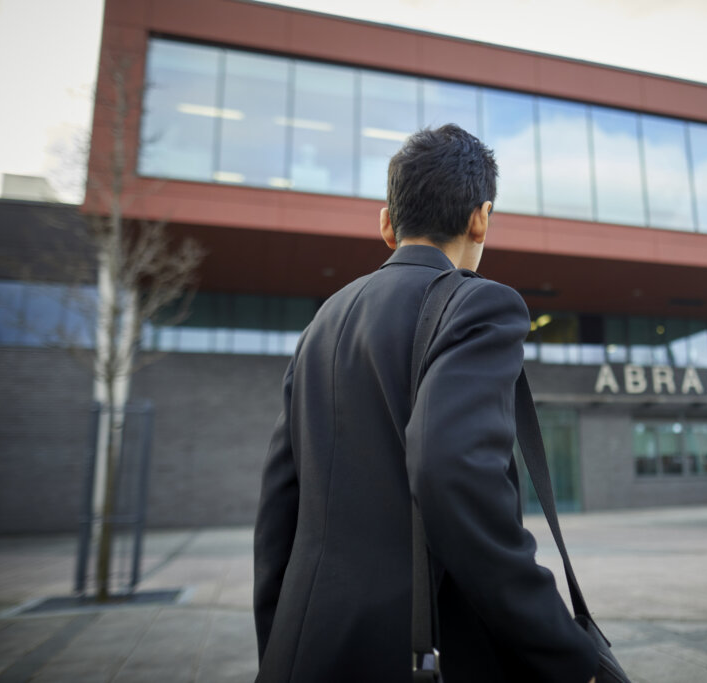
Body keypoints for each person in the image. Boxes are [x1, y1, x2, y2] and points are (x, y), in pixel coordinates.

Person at [253, 124, 598, 682]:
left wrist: (280, 643)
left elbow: (278, 508)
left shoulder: (324, 321)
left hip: (305, 649)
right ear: (481, 217)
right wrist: (562, 652)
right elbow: (451, 471)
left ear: (387, 223)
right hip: (424, 653)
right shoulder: (479, 305)